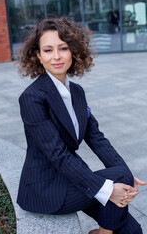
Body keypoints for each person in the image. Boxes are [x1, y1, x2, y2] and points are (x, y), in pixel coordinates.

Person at [16, 17, 146, 234]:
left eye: (63, 48)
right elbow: (57, 154)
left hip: (72, 179)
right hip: (45, 190)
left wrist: (126, 174)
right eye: (48, 50)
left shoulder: (77, 92)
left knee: (132, 231)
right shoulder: (32, 97)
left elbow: (96, 137)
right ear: (38, 56)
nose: (56, 56)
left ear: (73, 51)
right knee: (119, 185)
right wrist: (108, 187)